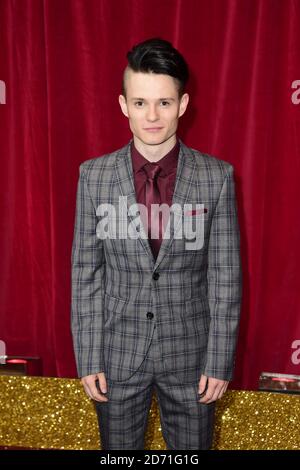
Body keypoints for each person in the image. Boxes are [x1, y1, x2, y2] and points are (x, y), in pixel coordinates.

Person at [71, 38, 242, 450]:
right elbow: (85, 272)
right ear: (123, 104)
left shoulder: (215, 177)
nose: (152, 115)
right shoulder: (92, 176)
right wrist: (89, 355)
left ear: (182, 105)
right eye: (141, 102)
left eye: (164, 103)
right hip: (115, 354)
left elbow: (225, 275)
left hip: (192, 358)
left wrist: (219, 360)